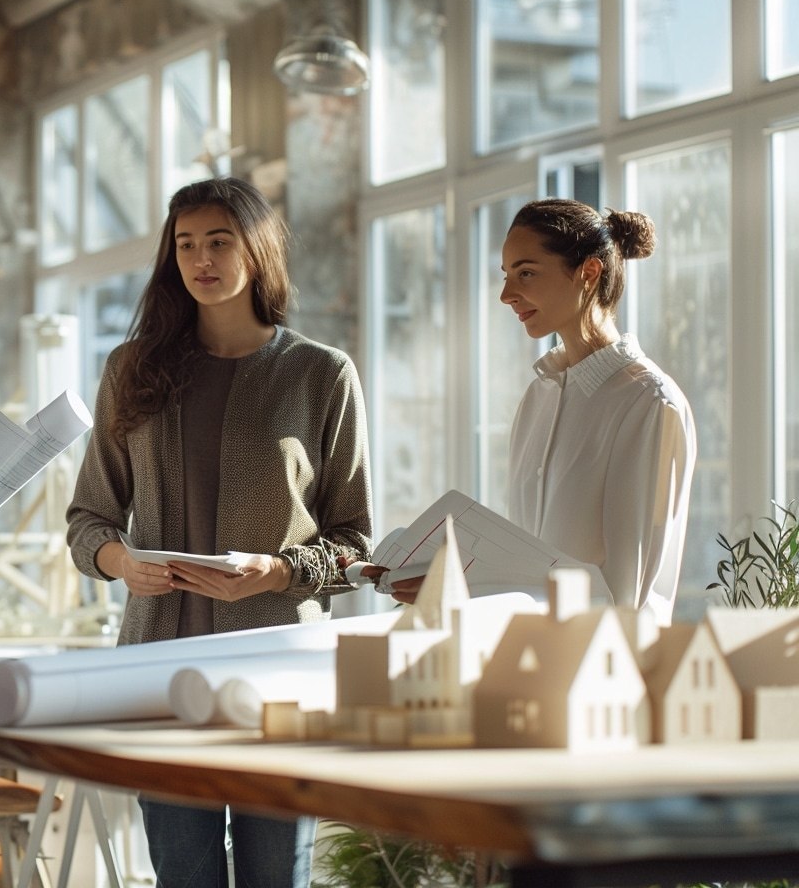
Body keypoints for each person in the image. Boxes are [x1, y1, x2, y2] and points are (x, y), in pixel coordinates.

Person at [66, 176, 373, 888]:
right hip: (159, 672)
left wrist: (279, 572)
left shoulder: (321, 374)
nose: (201, 259)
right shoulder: (132, 369)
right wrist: (119, 562)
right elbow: (89, 518)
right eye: (185, 245)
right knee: (182, 872)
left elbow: (355, 541)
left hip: (279, 672)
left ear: (257, 249)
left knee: (276, 873)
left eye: (219, 241)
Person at [386, 199, 696, 626]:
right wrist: (452, 584)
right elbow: (528, 563)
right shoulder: (539, 397)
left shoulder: (648, 403)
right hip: (527, 651)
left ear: (589, 272)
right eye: (507, 275)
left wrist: (471, 588)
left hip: (602, 669)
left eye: (526, 273)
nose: (506, 294)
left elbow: (626, 596)